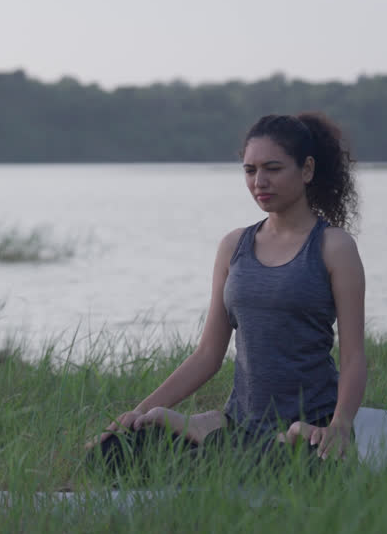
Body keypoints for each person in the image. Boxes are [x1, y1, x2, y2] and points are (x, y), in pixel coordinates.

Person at [88, 112, 366, 475]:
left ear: (307, 169)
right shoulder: (234, 245)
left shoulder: (334, 247)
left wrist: (340, 425)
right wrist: (136, 414)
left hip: (309, 429)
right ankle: (210, 435)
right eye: (250, 171)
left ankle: (205, 433)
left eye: (273, 168)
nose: (259, 182)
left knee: (294, 464)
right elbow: (207, 354)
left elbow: (353, 356)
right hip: (241, 424)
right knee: (111, 454)